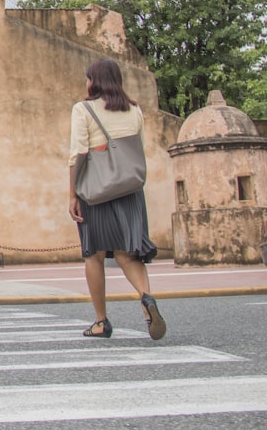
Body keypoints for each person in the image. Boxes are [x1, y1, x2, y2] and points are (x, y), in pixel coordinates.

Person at [68, 58, 166, 340]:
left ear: (94, 81)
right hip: (130, 189)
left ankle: (101, 321)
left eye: (88, 78)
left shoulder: (83, 109)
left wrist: (72, 194)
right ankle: (146, 297)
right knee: (128, 253)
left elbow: (78, 153)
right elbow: (138, 146)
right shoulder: (135, 110)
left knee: (94, 254)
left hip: (96, 190)